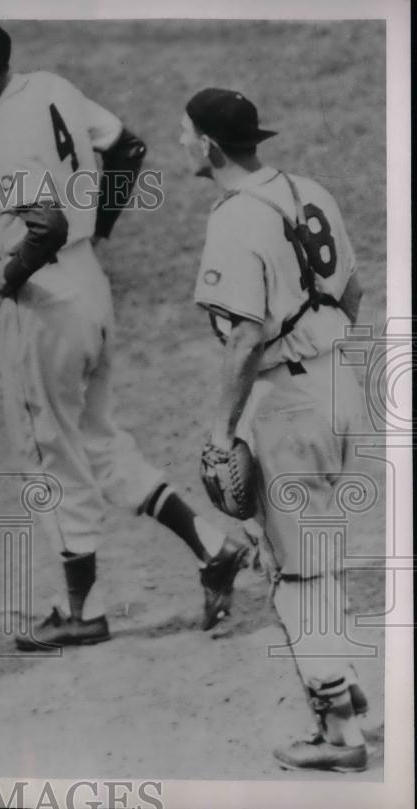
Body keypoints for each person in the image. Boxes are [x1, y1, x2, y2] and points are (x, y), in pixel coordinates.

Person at [0, 21, 249, 651]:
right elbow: (127, 147)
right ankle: (212, 545)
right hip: (88, 287)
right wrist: (97, 231)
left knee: (50, 452)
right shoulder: (52, 86)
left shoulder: (3, 130)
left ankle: (84, 612)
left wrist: (10, 273)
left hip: (45, 302)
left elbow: (42, 225)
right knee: (94, 441)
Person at [180, 87, 370, 772]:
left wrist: (218, 428)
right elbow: (351, 290)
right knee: (316, 550)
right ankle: (348, 688)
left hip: (289, 406)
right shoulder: (307, 188)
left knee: (296, 571)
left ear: (207, 145)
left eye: (185, 135)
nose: (182, 145)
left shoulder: (234, 220)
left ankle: (339, 735)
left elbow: (246, 337)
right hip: (338, 386)